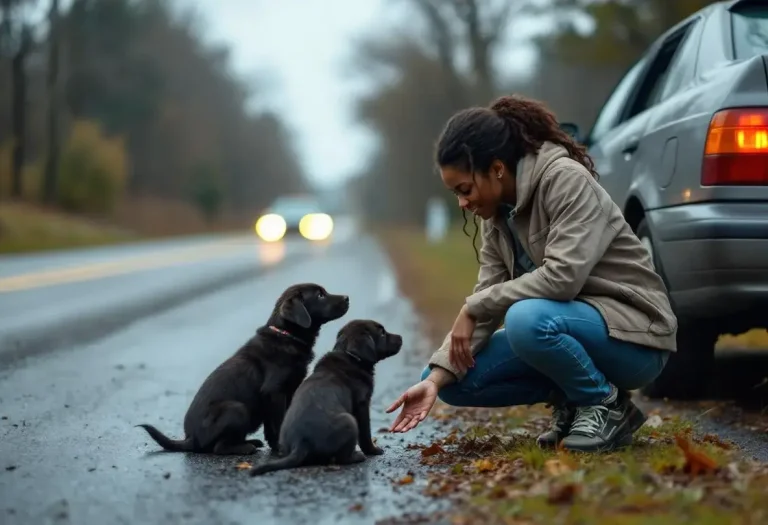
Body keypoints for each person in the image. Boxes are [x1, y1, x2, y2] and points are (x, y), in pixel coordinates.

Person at [386, 95, 677, 452]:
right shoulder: (496, 218)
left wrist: (473, 305)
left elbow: (562, 279)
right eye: (456, 194)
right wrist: (435, 378)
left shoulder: (565, 180)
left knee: (526, 319)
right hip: (568, 328)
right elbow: (488, 302)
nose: (462, 203)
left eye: (465, 189)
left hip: (636, 339)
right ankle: (576, 399)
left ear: (496, 168)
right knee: (455, 380)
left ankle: (603, 403)